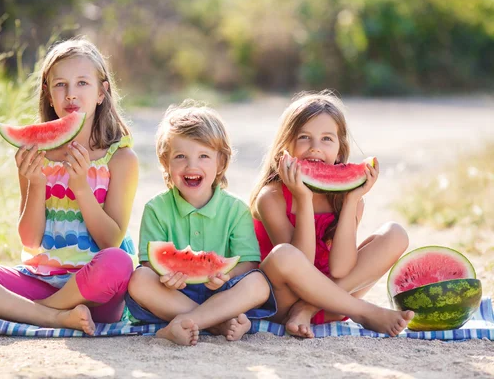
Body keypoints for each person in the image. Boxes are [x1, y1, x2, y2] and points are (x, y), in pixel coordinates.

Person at [0, 37, 139, 335]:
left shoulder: (121, 158)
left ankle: (25, 312)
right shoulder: (34, 154)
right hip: (39, 281)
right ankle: (53, 317)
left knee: (118, 262)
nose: (71, 94)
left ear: (102, 92)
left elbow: (110, 241)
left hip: (95, 293)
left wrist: (81, 187)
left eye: (82, 83)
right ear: (48, 95)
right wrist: (37, 184)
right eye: (60, 85)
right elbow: (30, 240)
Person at [251, 90, 414, 338]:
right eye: (304, 137)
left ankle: (309, 307)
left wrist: (351, 201)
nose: (315, 148)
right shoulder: (271, 197)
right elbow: (298, 262)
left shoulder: (347, 200)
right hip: (281, 303)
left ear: (340, 150)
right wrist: (303, 199)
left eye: (327, 139)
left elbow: (340, 269)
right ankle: (363, 312)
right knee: (284, 255)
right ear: (285, 148)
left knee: (396, 234)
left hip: (331, 304)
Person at [126, 100, 277, 346]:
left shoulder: (236, 210)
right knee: (139, 279)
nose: (191, 165)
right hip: (173, 293)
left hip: (222, 292)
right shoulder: (156, 209)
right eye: (180, 156)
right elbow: (149, 263)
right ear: (166, 162)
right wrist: (166, 277)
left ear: (221, 164)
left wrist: (225, 275)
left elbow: (248, 263)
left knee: (258, 283)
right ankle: (217, 323)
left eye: (204, 156)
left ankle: (183, 323)